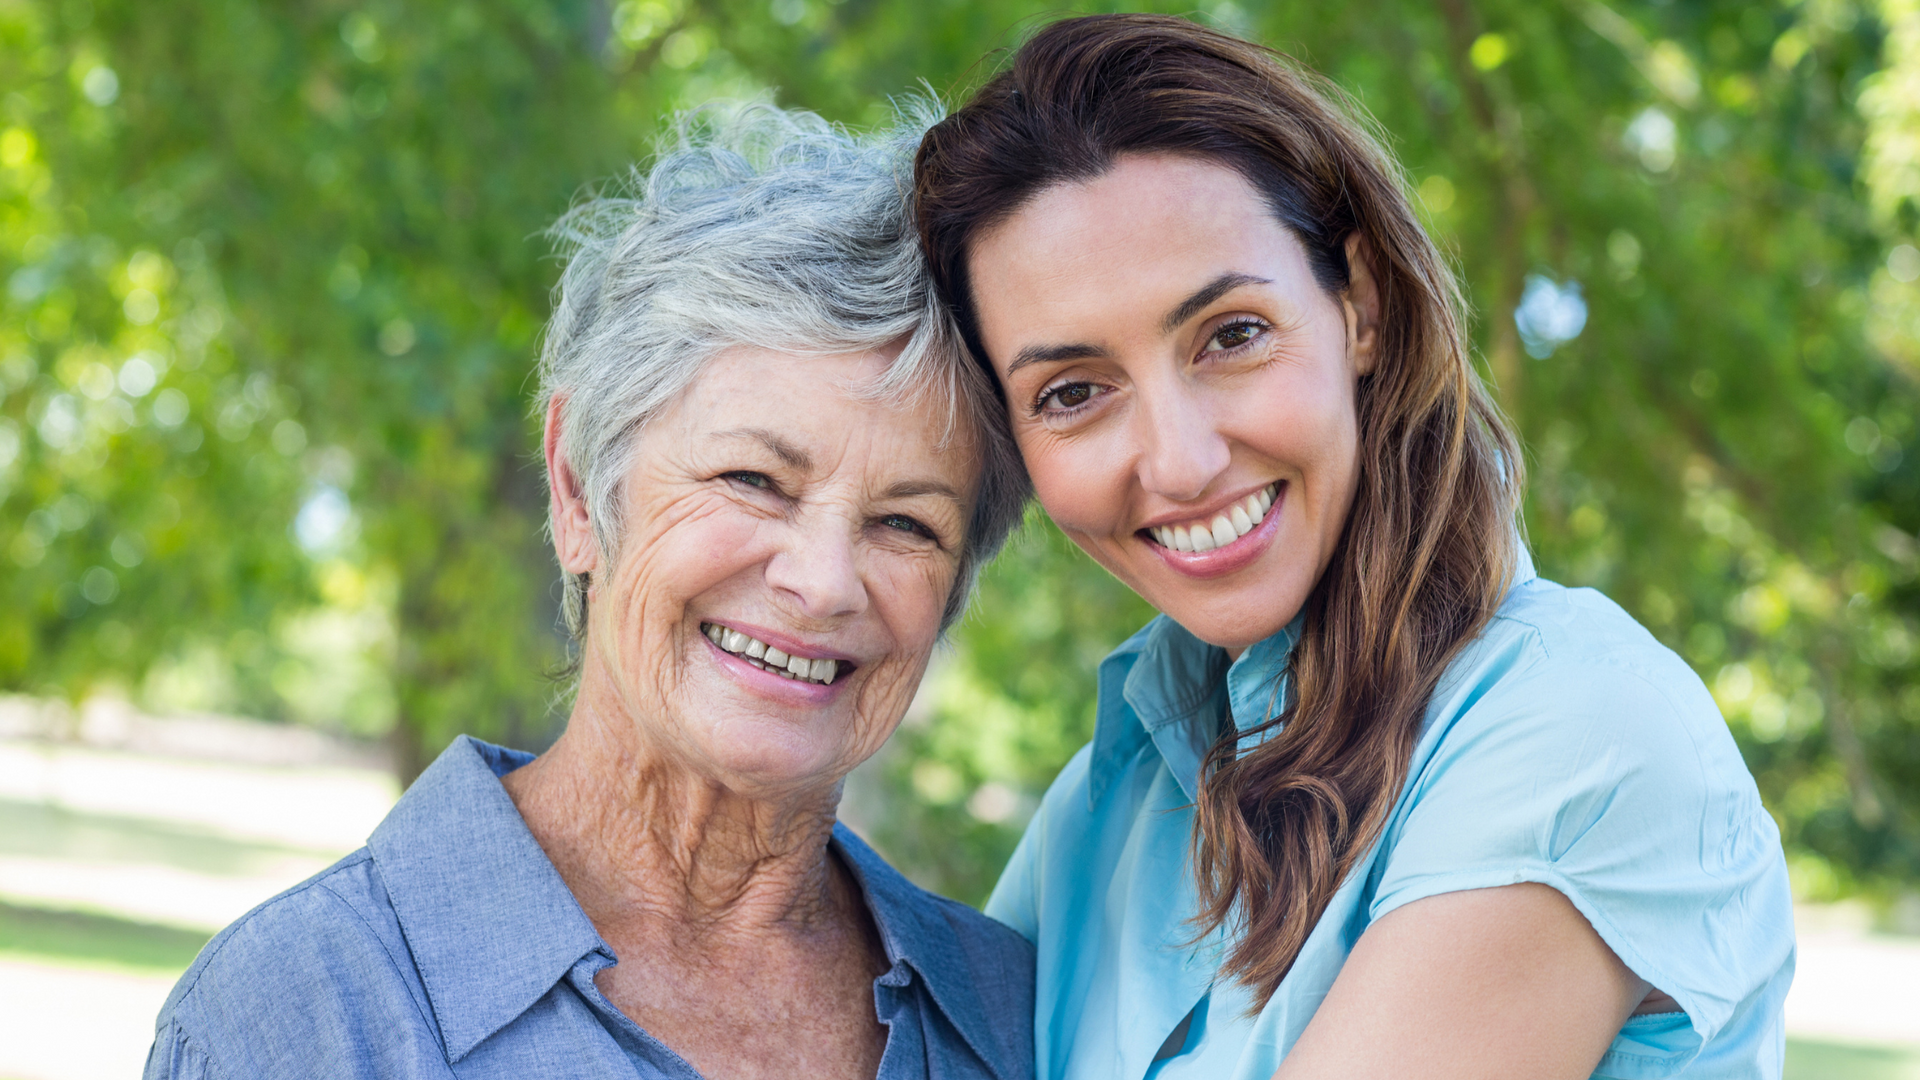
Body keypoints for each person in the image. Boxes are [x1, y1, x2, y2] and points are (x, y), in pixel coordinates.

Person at [914, 14, 1792, 1080]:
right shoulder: (1116, 795)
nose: (1181, 462)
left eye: (1232, 335)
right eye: (1073, 393)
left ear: (1360, 305)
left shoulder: (1580, 733)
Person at [145, 103, 1035, 1080]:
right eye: (752, 481)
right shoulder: (301, 1010)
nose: (822, 583)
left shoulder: (1015, 1017)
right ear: (578, 486)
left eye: (907, 524)